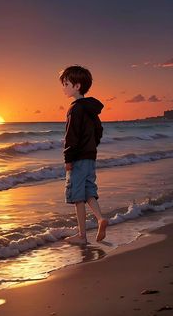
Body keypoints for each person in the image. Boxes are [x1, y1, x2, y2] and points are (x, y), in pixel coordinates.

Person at [59, 65, 108, 245]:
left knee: (77, 196)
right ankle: (101, 218)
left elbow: (71, 136)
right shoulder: (91, 109)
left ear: (77, 86)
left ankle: (82, 235)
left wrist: (68, 159)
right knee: (89, 191)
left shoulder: (75, 109)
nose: (63, 87)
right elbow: (99, 131)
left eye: (66, 84)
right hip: (90, 156)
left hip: (78, 158)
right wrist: (92, 147)